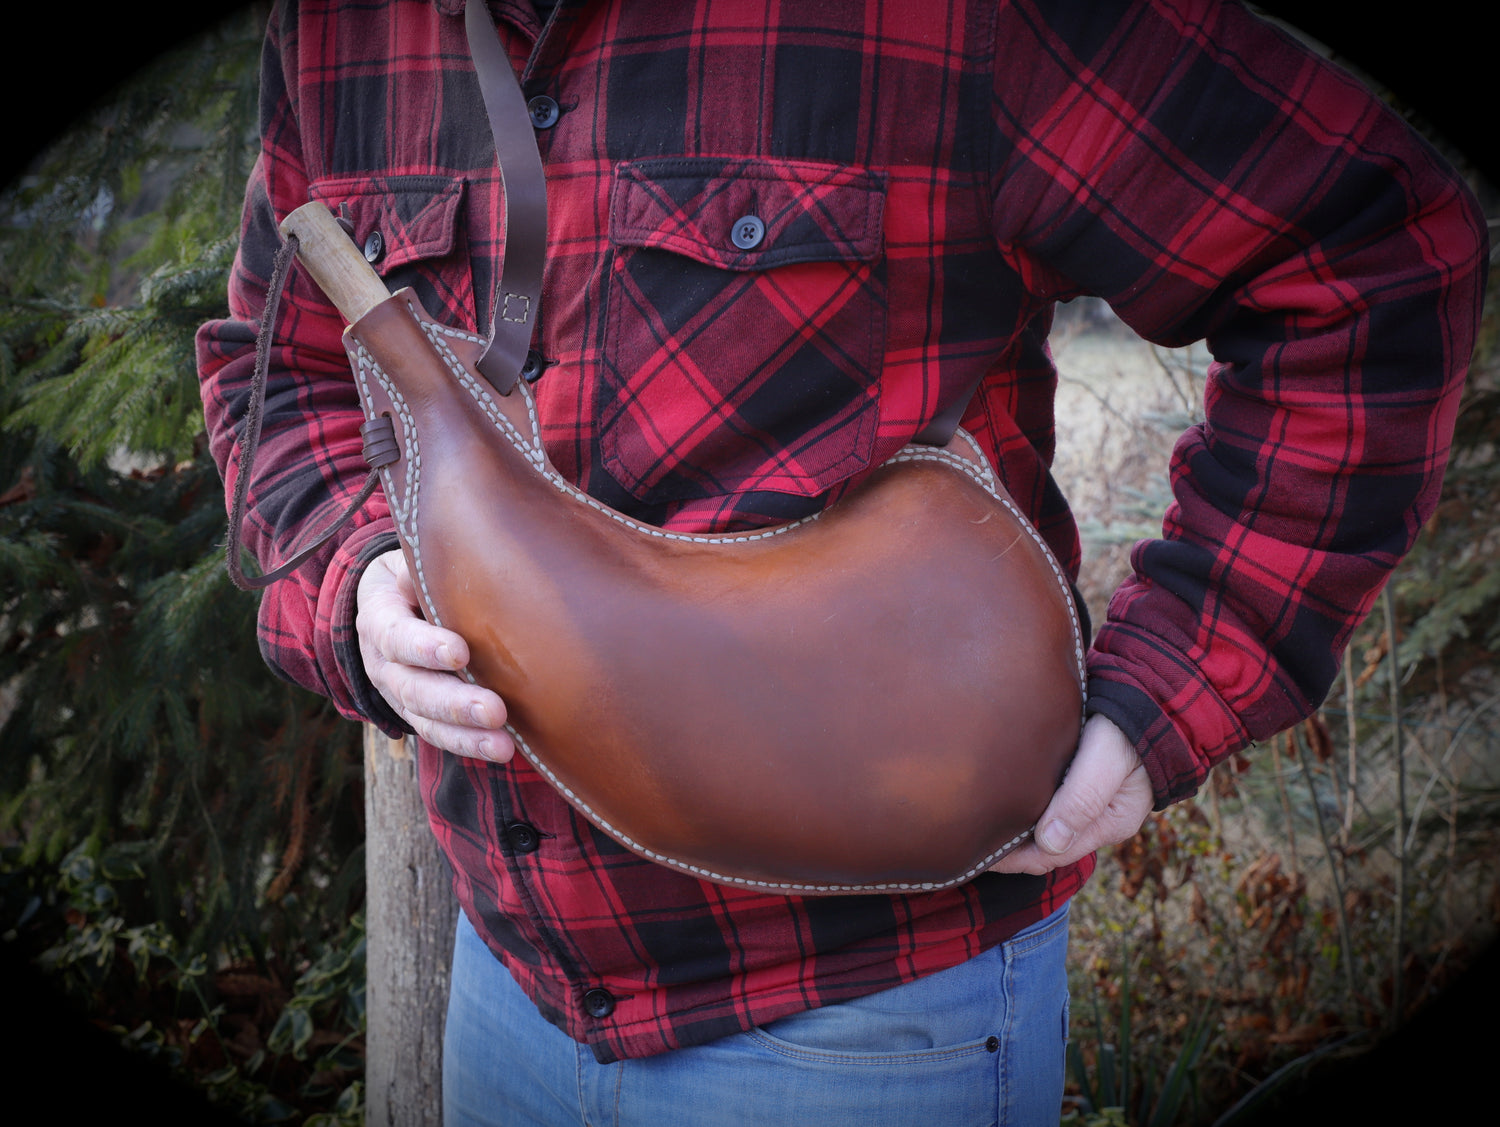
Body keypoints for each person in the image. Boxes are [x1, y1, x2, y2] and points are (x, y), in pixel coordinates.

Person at [196, 1, 1488, 1122]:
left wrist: (1175, 693)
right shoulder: (336, 28)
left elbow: (1365, 262)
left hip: (871, 1020)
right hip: (506, 989)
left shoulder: (961, 17)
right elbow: (287, 368)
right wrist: (356, 581)